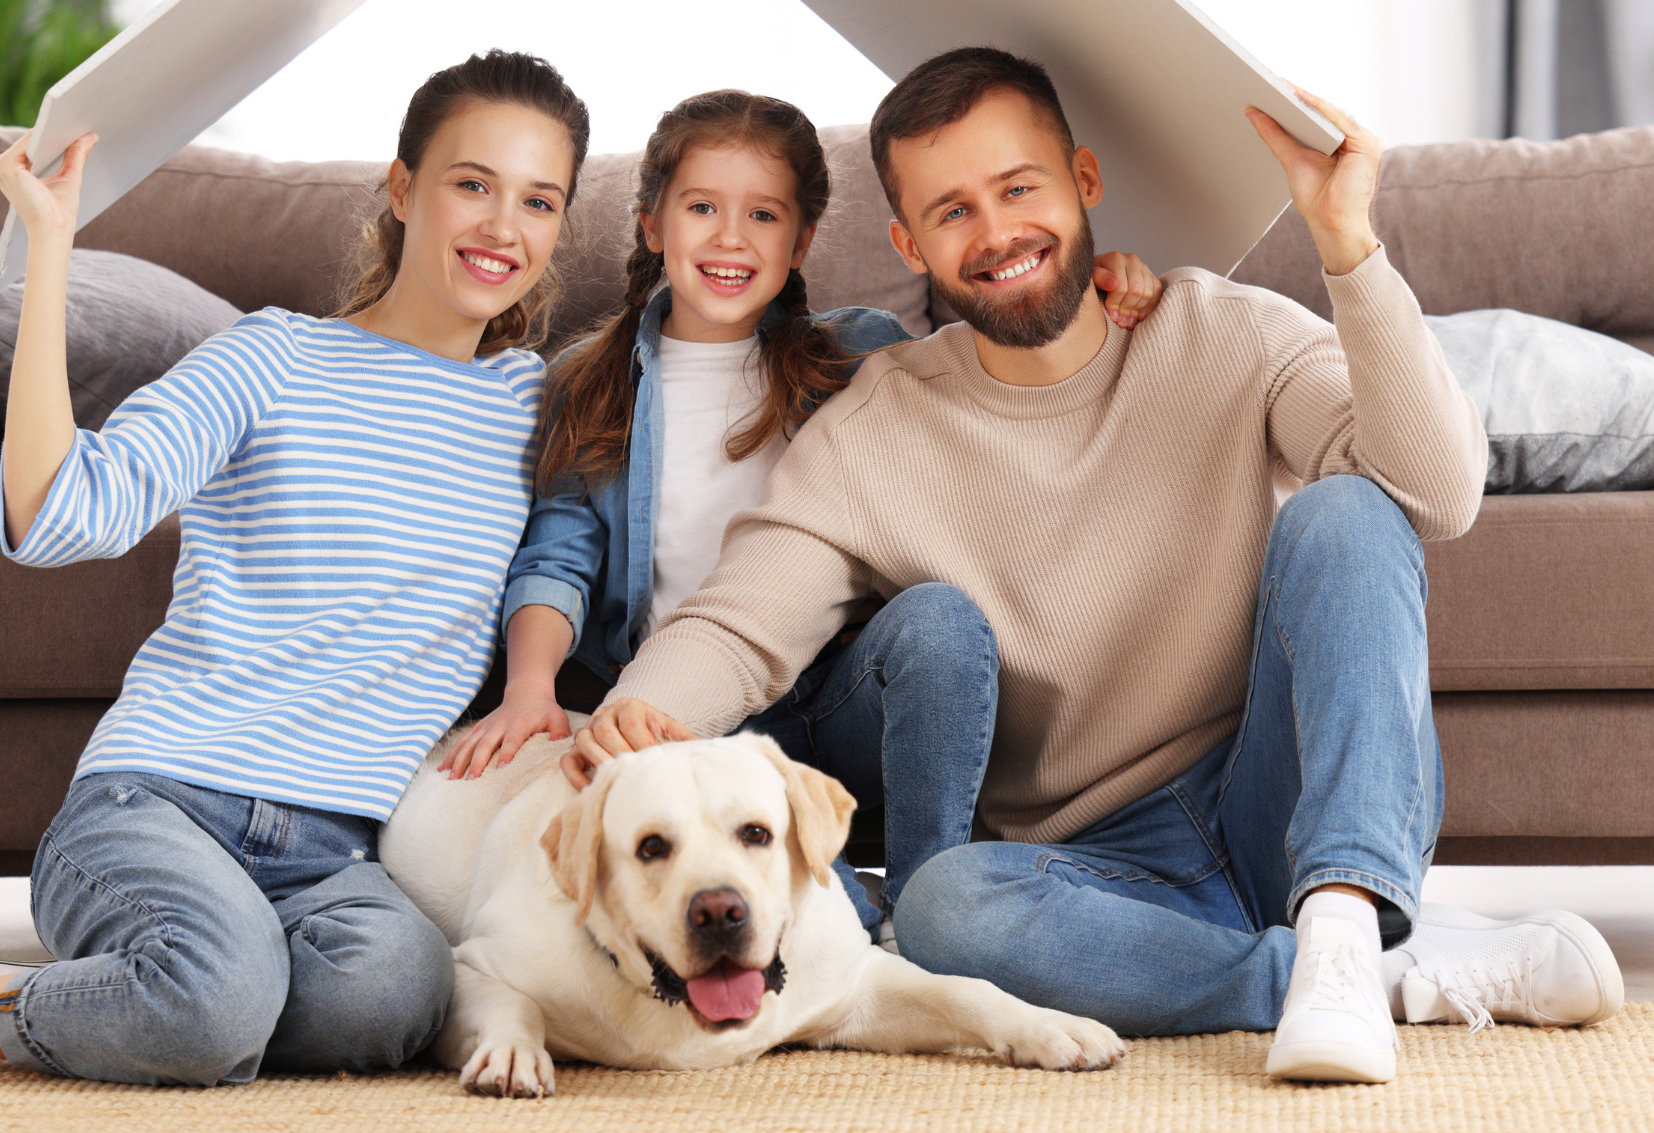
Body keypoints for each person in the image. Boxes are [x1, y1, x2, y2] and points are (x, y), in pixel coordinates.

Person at [567, 47, 1625, 1086]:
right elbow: (743, 620)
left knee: (1350, 511)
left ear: (1083, 183)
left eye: (1017, 188)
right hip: (1090, 870)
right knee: (940, 908)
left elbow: (1435, 493)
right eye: (951, 212)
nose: (994, 234)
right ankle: (1365, 975)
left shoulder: (1229, 333)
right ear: (909, 241)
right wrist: (631, 719)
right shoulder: (873, 424)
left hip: (1271, 792)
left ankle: (1344, 920)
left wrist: (1346, 244)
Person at [0, 50, 594, 1083]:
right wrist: (48, 252)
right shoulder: (271, 358)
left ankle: (174, 986)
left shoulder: (534, 407)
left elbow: (570, 550)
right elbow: (61, 516)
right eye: (472, 184)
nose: (504, 227)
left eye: (538, 201)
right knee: (215, 1006)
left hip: (339, 851)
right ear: (404, 188)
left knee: (392, 1000)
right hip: (159, 801)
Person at [441, 89, 1164, 943]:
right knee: (820, 924)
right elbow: (556, 557)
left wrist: (1099, 278)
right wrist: (530, 687)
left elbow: (1003, 343)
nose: (730, 238)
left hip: (841, 695)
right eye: (702, 208)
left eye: (763, 214)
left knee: (936, 618)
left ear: (802, 240)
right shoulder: (585, 378)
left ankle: (934, 892)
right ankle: (851, 908)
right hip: (695, 720)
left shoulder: (858, 352)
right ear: (650, 224)